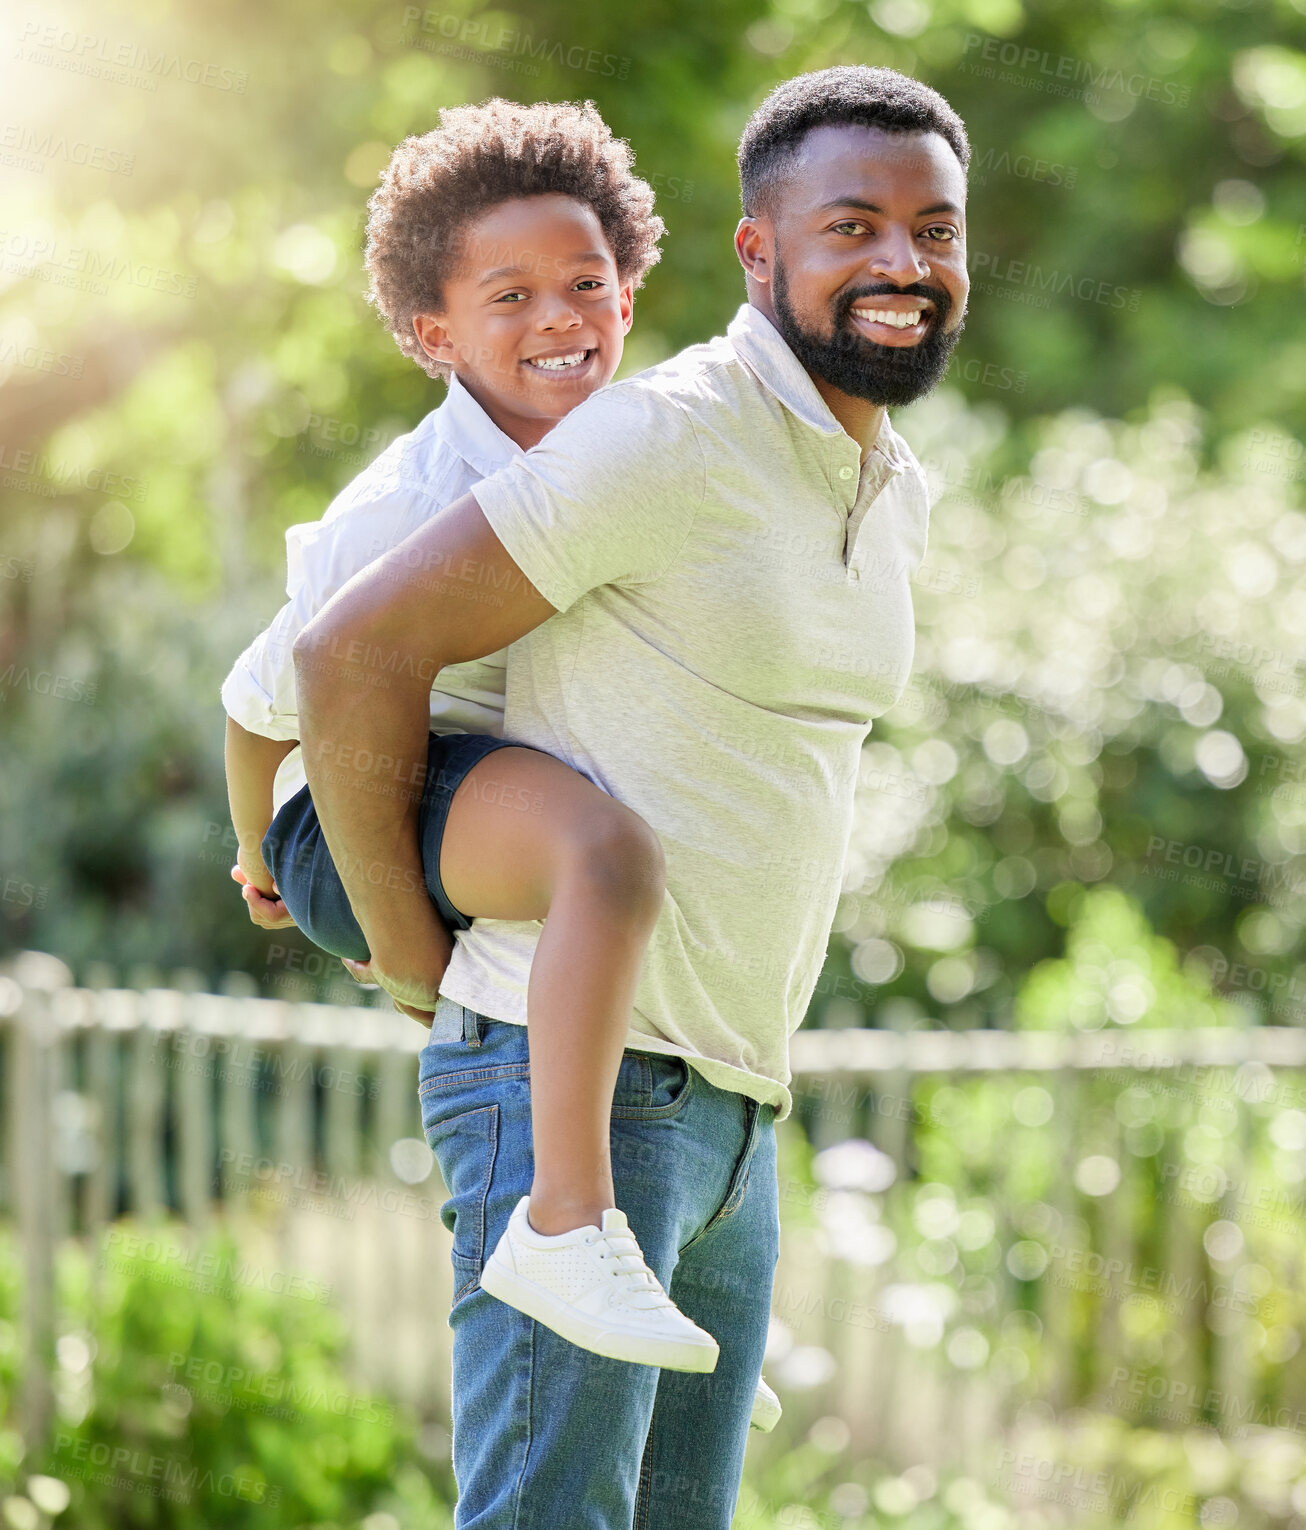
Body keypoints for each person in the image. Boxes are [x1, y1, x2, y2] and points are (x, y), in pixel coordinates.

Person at [291, 64, 972, 1528]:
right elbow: (350, 652)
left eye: (934, 228)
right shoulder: (668, 435)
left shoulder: (886, 478)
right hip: (584, 1100)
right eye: (852, 225)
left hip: (730, 1113)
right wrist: (409, 957)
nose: (904, 263)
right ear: (759, 250)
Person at [221, 98, 752, 1379]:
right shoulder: (408, 505)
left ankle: (650, 1238)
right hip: (351, 811)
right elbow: (264, 701)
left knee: (620, 850)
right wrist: (266, 866)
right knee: (601, 856)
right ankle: (563, 1223)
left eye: (584, 281)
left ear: (630, 288)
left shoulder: (638, 459)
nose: (560, 316)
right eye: (507, 297)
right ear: (433, 333)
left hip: (477, 802)